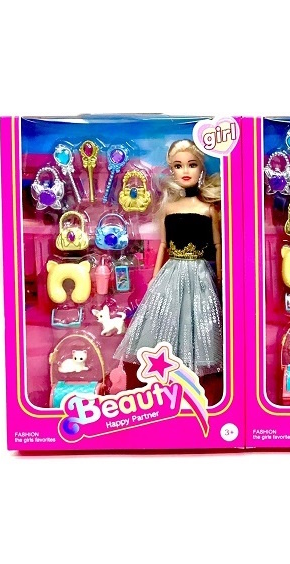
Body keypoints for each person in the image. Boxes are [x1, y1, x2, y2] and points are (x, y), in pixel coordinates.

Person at [114, 140, 224, 402]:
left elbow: (217, 245)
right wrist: (154, 277)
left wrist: (220, 277)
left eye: (192, 165)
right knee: (164, 322)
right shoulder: (169, 209)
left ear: (201, 169)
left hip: (200, 273)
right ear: (171, 170)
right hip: (171, 272)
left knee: (199, 322)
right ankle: (165, 383)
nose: (185, 171)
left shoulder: (208, 209)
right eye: (178, 166)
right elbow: (164, 244)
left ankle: (195, 388)